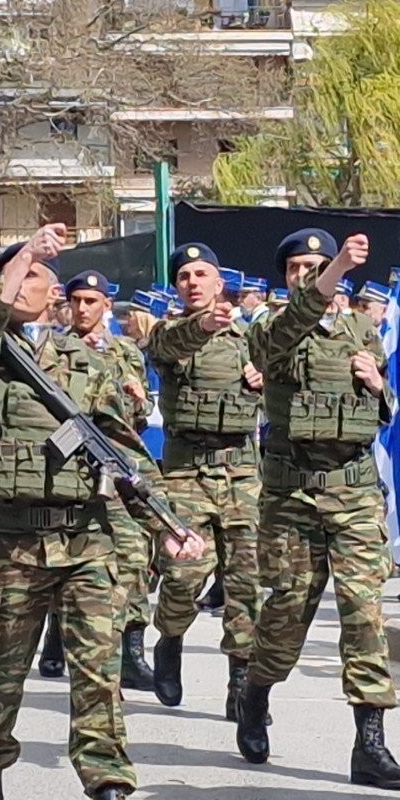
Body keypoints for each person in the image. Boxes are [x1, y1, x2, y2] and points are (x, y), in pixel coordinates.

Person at [0, 231, 199, 800]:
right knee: (1, 675)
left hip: (87, 538)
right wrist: (16, 261)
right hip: (12, 542)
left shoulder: (86, 360)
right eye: (31, 275)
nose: (47, 286)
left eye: (46, 278)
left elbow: (126, 452)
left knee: (99, 677)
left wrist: (165, 519)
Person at [235, 228, 400, 787]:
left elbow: (382, 410)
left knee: (364, 614)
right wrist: (333, 268)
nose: (307, 273)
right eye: (296, 267)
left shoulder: (363, 327)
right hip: (292, 494)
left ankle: (370, 742)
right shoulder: (268, 325)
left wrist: (375, 381)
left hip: (354, 489)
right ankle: (255, 691)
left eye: (318, 263)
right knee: (288, 610)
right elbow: (285, 333)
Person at [145, 243, 261, 715]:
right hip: (186, 472)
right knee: (182, 576)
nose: (192, 282)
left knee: (246, 583)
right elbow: (169, 347)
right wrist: (204, 325)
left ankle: (241, 683)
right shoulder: (168, 332)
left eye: (201, 274)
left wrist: (267, 377)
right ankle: (169, 638)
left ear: (220, 282)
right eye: (184, 276)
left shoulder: (252, 338)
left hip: (241, 473)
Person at [62, 270, 156, 690]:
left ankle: (132, 650)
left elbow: (138, 418)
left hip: (114, 471)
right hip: (69, 470)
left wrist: (138, 399)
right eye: (77, 301)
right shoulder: (53, 349)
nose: (82, 309)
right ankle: (56, 639)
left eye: (91, 302)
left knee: (134, 557)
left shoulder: (124, 352)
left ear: (105, 306)